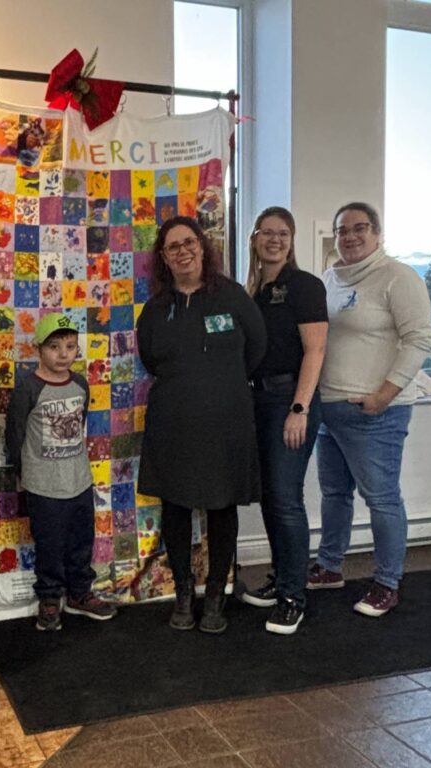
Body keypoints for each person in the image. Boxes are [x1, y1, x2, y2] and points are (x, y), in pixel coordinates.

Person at [136, 216, 266, 634]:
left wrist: (217, 383)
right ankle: (184, 594)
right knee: (175, 505)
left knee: (222, 506)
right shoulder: (157, 308)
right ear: (163, 257)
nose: (182, 251)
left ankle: (215, 596)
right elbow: (150, 359)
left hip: (226, 421)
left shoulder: (231, 297)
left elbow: (257, 348)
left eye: (188, 242)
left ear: (202, 246)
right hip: (173, 422)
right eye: (172, 247)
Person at [308, 202, 431, 617]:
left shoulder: (399, 277)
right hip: (329, 410)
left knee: (381, 499)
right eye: (342, 230)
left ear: (377, 232)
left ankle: (387, 582)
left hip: (375, 413)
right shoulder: (330, 278)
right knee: (334, 493)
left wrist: (383, 395)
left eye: (359, 228)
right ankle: (329, 567)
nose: (350, 237)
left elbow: (419, 341)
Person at [239, 207, 328, 635]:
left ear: (291, 242)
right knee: (272, 497)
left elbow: (315, 350)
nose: (274, 240)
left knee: (287, 498)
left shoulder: (304, 286)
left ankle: (294, 596)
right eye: (266, 233)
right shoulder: (255, 290)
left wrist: (300, 408)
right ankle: (282, 580)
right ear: (255, 239)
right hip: (259, 401)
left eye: (283, 233)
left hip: (290, 400)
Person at [5, 313, 118, 631]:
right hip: (44, 484)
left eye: (70, 346)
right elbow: (15, 434)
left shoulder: (80, 383)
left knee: (82, 540)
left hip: (78, 480)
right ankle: (50, 598)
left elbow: (80, 423)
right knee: (50, 544)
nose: (63, 353)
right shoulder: (29, 388)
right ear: (38, 348)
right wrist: (23, 473)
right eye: (54, 346)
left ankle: (80, 594)